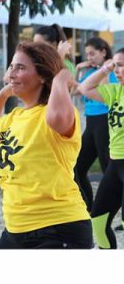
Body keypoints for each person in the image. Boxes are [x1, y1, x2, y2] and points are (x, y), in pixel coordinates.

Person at [0, 42, 92, 249]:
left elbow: (57, 119)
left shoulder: (57, 113)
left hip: (58, 227)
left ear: (42, 76)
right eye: (11, 67)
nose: (11, 74)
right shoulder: (15, 117)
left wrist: (59, 79)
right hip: (16, 229)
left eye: (20, 68)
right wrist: (3, 95)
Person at [77, 48, 124, 248]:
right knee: (98, 220)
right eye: (115, 65)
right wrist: (106, 68)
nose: (117, 70)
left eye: (120, 65)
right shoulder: (115, 91)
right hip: (115, 165)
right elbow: (84, 88)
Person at [74, 37, 117, 212]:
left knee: (110, 171)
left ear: (103, 52)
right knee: (77, 167)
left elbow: (107, 94)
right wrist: (78, 69)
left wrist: (105, 70)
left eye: (92, 53)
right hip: (91, 124)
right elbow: (74, 91)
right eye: (87, 54)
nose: (89, 58)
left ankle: (110, 212)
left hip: (104, 121)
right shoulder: (90, 73)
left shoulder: (114, 71)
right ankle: (88, 207)